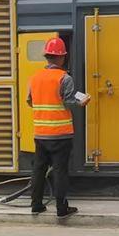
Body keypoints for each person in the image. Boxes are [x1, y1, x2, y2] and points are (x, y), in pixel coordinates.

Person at [27, 37, 90, 218]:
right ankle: (61, 209)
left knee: (39, 169)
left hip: (41, 134)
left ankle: (36, 205)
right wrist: (82, 101)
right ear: (62, 57)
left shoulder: (34, 78)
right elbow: (69, 101)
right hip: (61, 134)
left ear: (47, 56)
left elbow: (30, 101)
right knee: (60, 170)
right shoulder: (64, 78)